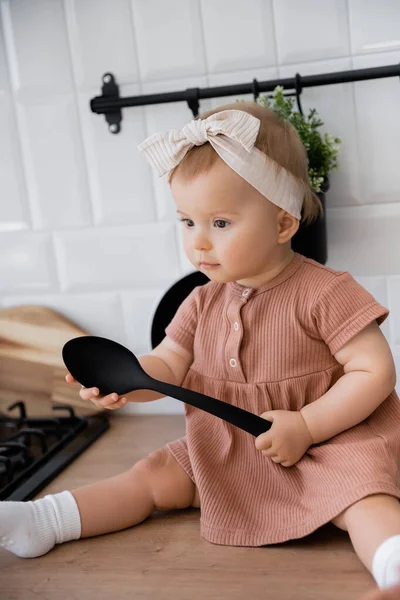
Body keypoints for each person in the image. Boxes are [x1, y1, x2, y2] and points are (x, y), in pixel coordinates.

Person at [1, 102, 400, 598]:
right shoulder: (200, 300)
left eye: (221, 223)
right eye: (187, 222)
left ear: (282, 224)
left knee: (366, 497)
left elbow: (374, 372)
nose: (199, 245)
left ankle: (393, 566)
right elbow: (167, 365)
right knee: (153, 475)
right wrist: (127, 379)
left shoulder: (325, 292)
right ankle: (44, 520)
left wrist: (308, 425)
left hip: (327, 446)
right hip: (230, 452)